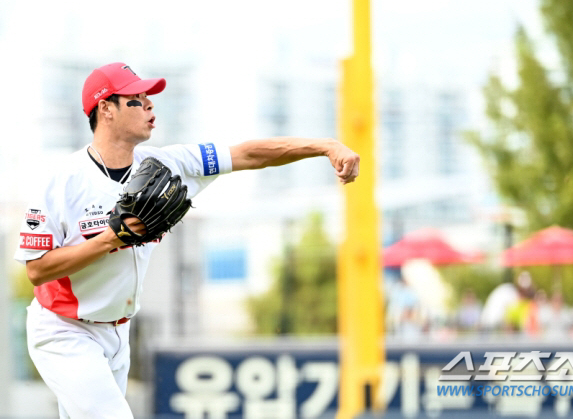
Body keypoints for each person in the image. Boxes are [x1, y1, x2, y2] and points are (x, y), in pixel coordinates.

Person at [14, 62, 361, 419]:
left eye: (149, 99)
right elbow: (37, 271)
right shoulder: (63, 181)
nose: (150, 107)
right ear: (106, 108)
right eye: (136, 100)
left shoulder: (166, 164)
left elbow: (247, 154)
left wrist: (325, 145)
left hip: (118, 333)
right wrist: (109, 239)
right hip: (64, 330)